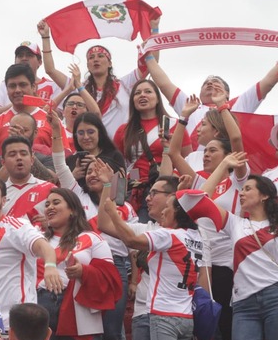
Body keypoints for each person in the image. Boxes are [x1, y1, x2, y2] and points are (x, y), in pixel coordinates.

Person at [165, 89, 248, 340]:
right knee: (199, 327)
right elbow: (174, 153)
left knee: (226, 325)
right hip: (198, 261)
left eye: (214, 150)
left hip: (228, 264)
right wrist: (184, 118)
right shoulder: (201, 179)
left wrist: (223, 106)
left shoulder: (239, 180)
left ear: (230, 157)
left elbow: (237, 140)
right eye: (207, 149)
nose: (207, 153)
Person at [177, 173, 278, 340]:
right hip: (243, 305)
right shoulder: (235, 223)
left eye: (248, 189)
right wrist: (224, 166)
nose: (242, 192)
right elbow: (189, 201)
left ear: (265, 196)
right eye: (242, 189)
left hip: (274, 298)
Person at [105, 191, 201, 340]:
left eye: (168, 207)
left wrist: (113, 213)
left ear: (178, 213)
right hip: (185, 315)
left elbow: (131, 240)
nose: (163, 211)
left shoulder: (168, 235)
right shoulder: (196, 237)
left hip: (164, 314)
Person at [98, 175, 181, 340]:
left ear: (172, 197)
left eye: (154, 193)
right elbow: (104, 224)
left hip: (172, 313)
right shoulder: (147, 229)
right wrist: (107, 185)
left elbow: (130, 240)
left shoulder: (186, 232)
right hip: (143, 312)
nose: (147, 198)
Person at [37, 188, 121, 340]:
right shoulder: (37, 240)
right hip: (41, 309)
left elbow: (112, 280)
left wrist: (84, 272)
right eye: (47, 204)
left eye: (56, 202)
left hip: (79, 310)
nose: (50, 207)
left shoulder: (92, 238)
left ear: (73, 210)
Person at [0, 173, 63, 328]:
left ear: (4, 200)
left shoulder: (15, 226)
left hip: (15, 325)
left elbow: (44, 247)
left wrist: (50, 267)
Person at [39, 19, 158, 140]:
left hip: (121, 149)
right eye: (91, 57)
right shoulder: (79, 87)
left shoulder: (125, 84)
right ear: (87, 64)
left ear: (110, 63)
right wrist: (45, 37)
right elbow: (50, 70)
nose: (96, 60)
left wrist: (154, 29)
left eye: (101, 56)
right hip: (89, 148)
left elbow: (151, 65)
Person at [145, 52, 278, 149]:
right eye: (206, 84)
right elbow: (164, 84)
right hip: (193, 168)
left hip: (229, 167)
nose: (210, 84)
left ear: (227, 93)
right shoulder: (190, 106)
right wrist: (148, 56)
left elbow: (268, 82)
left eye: (215, 82)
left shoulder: (238, 104)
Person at [114, 79, 191, 221]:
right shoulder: (123, 130)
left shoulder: (173, 125)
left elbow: (187, 160)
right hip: (134, 190)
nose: (142, 95)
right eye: (137, 93)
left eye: (148, 92)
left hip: (164, 190)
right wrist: (116, 198)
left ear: (157, 99)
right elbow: (118, 168)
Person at [0, 64, 65, 171]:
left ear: (34, 87)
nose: (17, 90)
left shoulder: (52, 121)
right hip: (6, 185)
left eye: (22, 85)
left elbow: (64, 159)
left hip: (43, 183)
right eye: (12, 86)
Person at [0, 40, 62, 116]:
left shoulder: (53, 85)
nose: (24, 58)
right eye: (20, 56)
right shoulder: (5, 84)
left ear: (39, 62)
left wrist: (36, 102)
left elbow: (60, 115)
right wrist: (17, 103)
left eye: (29, 55)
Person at [66, 112, 125, 190]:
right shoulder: (70, 160)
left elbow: (121, 189)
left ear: (99, 133)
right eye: (81, 133)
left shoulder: (114, 156)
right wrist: (72, 177)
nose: (86, 137)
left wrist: (96, 165)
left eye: (90, 132)